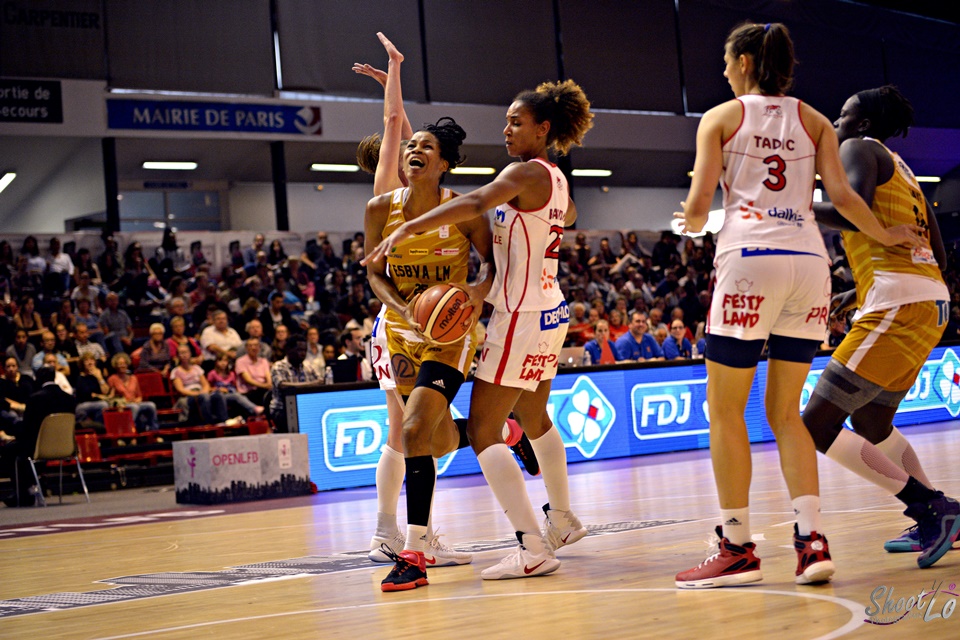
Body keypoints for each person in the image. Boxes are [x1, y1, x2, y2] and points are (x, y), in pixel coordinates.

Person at [672, 22, 922, 589]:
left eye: (728, 60)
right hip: (809, 267)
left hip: (750, 262)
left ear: (741, 62)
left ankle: (736, 547)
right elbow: (842, 198)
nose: (726, 68)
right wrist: (886, 236)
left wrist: (687, 223)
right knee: (788, 413)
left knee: (727, 410)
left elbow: (698, 202)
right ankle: (812, 541)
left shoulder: (721, 117)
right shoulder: (814, 121)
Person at [366, 78, 595, 582]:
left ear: (544, 128)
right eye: (507, 120)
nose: (507, 129)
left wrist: (407, 228)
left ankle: (531, 544)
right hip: (552, 310)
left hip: (521, 312)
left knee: (486, 430)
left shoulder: (522, 172)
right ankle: (561, 516)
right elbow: (569, 215)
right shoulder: (555, 179)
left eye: (517, 121)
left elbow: (475, 203)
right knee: (534, 419)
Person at [355, 33, 518, 572]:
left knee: (407, 430)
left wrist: (474, 292)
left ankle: (408, 543)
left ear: (443, 161)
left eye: (424, 146)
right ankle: (489, 432)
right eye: (408, 146)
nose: (411, 150)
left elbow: (494, 266)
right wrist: (403, 312)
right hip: (398, 328)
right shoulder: (383, 203)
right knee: (420, 431)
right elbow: (392, 123)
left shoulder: (464, 209)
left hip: (446, 331)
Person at [802, 85, 960, 566]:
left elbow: (855, 210)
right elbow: (939, 248)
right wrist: (861, 287)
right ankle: (939, 516)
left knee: (814, 425)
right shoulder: (905, 171)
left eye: (844, 114)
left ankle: (933, 509)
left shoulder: (856, 149)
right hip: (928, 302)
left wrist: (792, 209)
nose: (837, 121)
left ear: (864, 124)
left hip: (899, 303)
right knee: (872, 422)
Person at [0, 366, 75, 507]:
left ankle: (22, 494)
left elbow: (27, 429)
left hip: (40, 446)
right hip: (65, 447)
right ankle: (34, 484)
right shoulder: (69, 399)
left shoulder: (36, 399)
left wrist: (11, 430)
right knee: (22, 451)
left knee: (9, 450)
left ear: (38, 378)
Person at [269, 338, 322, 432]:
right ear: (289, 350)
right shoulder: (279, 366)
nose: (303, 353)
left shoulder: (308, 366)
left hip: (304, 407)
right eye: (299, 350)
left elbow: (320, 382)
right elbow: (283, 386)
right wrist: (311, 384)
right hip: (282, 409)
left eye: (305, 350)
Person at [170, 344, 227, 424]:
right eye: (181, 353)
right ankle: (208, 423)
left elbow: (206, 385)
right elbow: (181, 389)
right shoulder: (176, 371)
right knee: (204, 397)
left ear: (190, 354)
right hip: (188, 396)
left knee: (218, 395)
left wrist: (204, 392)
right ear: (178, 356)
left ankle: (223, 422)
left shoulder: (197, 368)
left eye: (186, 352)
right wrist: (197, 394)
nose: (184, 355)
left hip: (202, 392)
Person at [107, 353, 159, 431]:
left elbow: (139, 395)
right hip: (122, 405)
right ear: (115, 365)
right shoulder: (112, 379)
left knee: (151, 405)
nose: (122, 366)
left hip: (134, 403)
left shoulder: (133, 378)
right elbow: (110, 397)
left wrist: (138, 400)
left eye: (124, 363)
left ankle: (154, 430)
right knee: (134, 407)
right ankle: (129, 430)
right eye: (120, 364)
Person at [74, 352, 111, 426]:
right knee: (103, 404)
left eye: (91, 360)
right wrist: (99, 396)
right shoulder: (80, 378)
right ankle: (99, 427)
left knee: (104, 406)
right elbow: (87, 394)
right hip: (83, 404)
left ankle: (99, 428)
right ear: (83, 364)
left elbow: (106, 391)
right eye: (86, 360)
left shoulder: (98, 375)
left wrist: (99, 378)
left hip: (97, 403)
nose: (90, 362)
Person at [235, 337, 272, 408]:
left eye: (255, 345)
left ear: (259, 347)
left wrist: (269, 384)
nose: (253, 348)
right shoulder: (240, 361)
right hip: (249, 391)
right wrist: (265, 385)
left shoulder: (264, 361)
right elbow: (248, 380)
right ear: (246, 348)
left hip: (263, 389)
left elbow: (268, 376)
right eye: (250, 346)